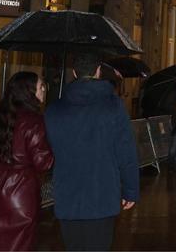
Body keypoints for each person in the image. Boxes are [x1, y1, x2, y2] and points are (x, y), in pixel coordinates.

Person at [44, 54, 138, 252]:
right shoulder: (113, 106)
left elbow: (48, 151)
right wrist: (130, 190)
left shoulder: (54, 110)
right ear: (98, 71)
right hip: (102, 193)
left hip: (68, 194)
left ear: (74, 73)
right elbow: (125, 151)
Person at [0, 72, 54, 251]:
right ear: (28, 91)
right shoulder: (34, 121)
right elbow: (43, 163)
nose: (44, 91)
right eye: (40, 87)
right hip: (21, 195)